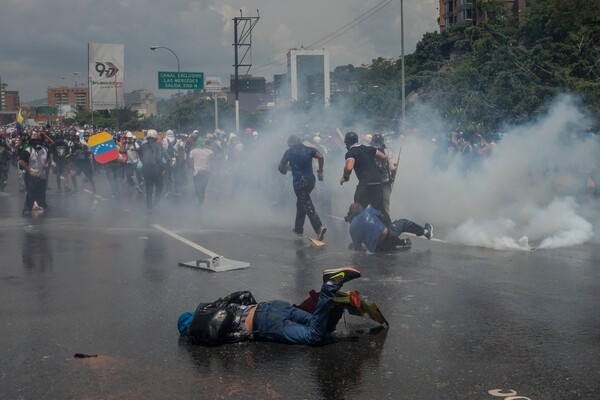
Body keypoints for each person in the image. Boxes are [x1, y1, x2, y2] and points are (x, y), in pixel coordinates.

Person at [178, 266, 374, 346]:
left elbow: (226, 336)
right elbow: (245, 295)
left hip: (265, 323)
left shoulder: (204, 329)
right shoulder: (219, 305)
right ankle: (338, 304)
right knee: (322, 329)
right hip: (272, 306)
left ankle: (330, 287)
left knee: (313, 336)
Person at [278, 135, 327, 241]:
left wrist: (284, 170)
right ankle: (298, 229)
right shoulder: (309, 149)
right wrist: (320, 171)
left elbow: (281, 167)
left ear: (292, 142)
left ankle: (318, 227)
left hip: (300, 182)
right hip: (311, 181)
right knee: (301, 203)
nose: (287, 144)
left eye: (288, 142)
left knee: (307, 204)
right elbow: (320, 156)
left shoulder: (289, 151)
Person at [340, 131, 391, 224]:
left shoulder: (351, 153)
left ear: (347, 143)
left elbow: (348, 168)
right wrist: (382, 168)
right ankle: (389, 229)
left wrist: (345, 177)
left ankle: (357, 229)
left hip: (366, 186)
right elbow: (384, 157)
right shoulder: (369, 148)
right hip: (378, 184)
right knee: (380, 210)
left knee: (357, 209)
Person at [344, 203, 433, 252]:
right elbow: (382, 215)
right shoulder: (368, 211)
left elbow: (358, 248)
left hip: (378, 250)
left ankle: (402, 242)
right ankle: (425, 231)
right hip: (389, 236)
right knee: (403, 223)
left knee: (387, 235)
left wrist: (355, 245)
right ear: (361, 209)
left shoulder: (352, 228)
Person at [19, 132, 49, 215]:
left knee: (41, 192)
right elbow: (21, 162)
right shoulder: (28, 151)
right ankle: (27, 208)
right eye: (34, 141)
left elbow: (48, 158)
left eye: (38, 140)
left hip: (41, 175)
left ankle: (43, 206)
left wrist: (46, 164)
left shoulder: (45, 150)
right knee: (31, 193)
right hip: (30, 175)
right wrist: (30, 171)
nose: (36, 143)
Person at [139, 129, 167, 214]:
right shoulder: (159, 145)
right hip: (157, 170)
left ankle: (149, 208)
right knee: (159, 187)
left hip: (146, 170)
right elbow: (159, 157)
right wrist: (164, 167)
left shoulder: (143, 146)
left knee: (149, 189)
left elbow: (141, 158)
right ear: (155, 137)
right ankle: (156, 204)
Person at [370, 133, 396, 218]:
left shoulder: (369, 151)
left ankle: (371, 221)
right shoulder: (388, 151)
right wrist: (392, 177)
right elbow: (392, 168)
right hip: (385, 182)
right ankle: (387, 224)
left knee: (372, 204)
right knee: (385, 205)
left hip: (373, 182)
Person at [187, 138, 213, 207]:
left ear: (196, 144)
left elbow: (190, 162)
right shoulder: (209, 152)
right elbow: (213, 162)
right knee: (203, 189)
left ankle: (199, 204)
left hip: (197, 174)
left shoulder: (193, 151)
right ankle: (201, 204)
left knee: (197, 190)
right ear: (204, 144)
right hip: (206, 173)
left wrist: (192, 168)